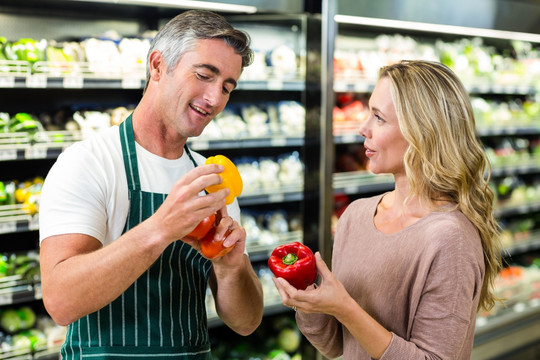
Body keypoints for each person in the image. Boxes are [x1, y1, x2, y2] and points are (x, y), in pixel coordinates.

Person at [39, 10, 264, 359]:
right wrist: (161, 228)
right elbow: (61, 302)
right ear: (158, 66)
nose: (215, 98)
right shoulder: (89, 162)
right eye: (204, 76)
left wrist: (231, 266)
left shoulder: (212, 179)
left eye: (226, 88)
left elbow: (246, 322)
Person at [272, 60, 502, 359]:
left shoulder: (450, 240)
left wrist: (345, 308)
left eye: (378, 118)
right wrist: (310, 304)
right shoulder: (355, 216)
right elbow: (336, 346)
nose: (362, 128)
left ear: (422, 132)